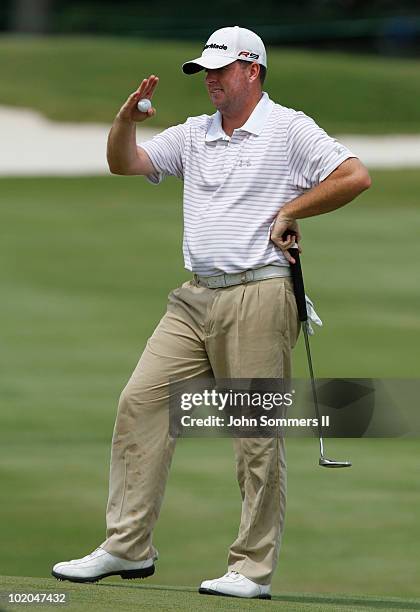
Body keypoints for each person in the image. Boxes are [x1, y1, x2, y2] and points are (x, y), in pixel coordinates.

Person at [52, 26, 371, 599]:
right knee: (141, 402)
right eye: (206, 71)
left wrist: (292, 209)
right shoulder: (195, 135)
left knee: (254, 436)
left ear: (253, 70)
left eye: (221, 70)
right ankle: (128, 547)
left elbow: (354, 176)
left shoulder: (288, 128)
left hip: (260, 294)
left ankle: (251, 569)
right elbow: (125, 163)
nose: (211, 80)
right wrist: (126, 121)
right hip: (194, 297)